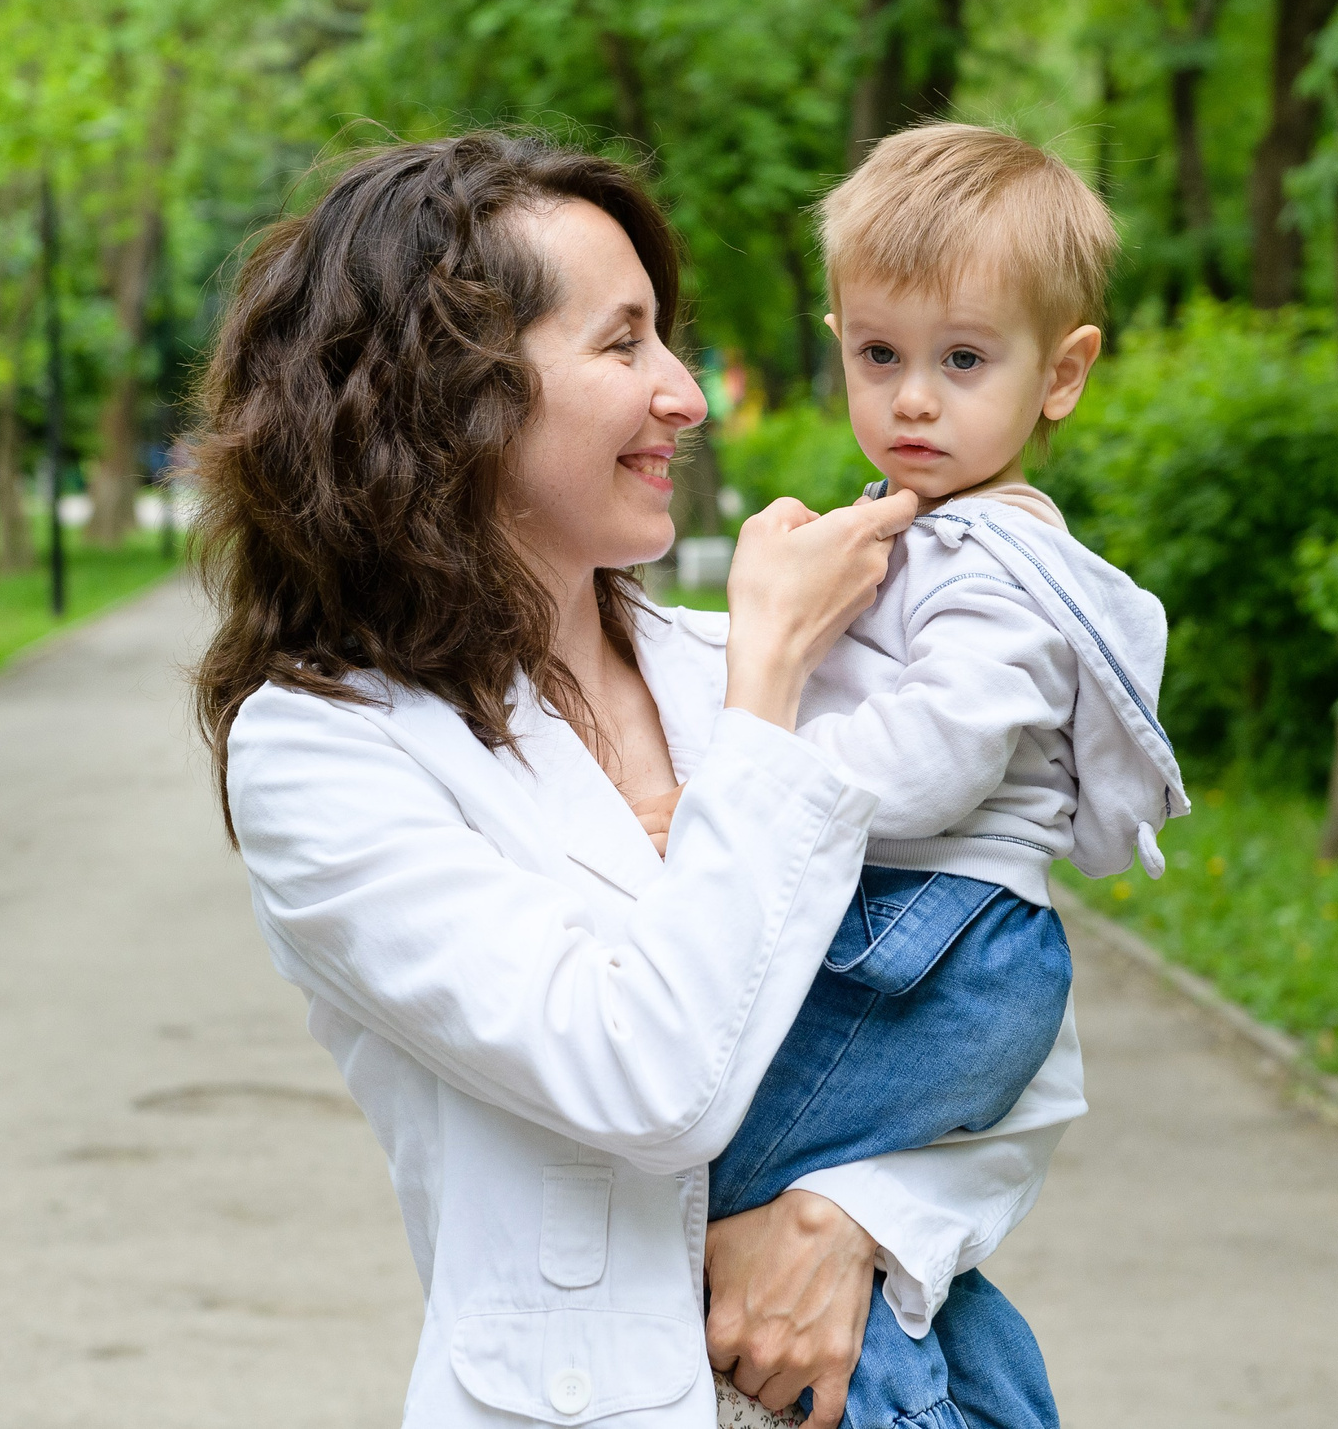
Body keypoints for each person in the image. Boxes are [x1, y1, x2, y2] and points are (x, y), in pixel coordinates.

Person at [197, 131, 1088, 1429]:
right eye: (624, 346)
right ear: (454, 393)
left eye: (668, 340)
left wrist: (855, 1221)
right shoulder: (329, 749)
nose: (687, 393)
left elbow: (1006, 1024)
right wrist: (775, 682)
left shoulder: (729, 671)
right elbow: (640, 1077)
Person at [636, 124, 1189, 1429]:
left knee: (710, 1197)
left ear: (1062, 376)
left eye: (962, 360)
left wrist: (743, 778)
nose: (913, 399)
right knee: (889, 1257)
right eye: (879, 355)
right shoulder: (937, 535)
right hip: (943, 949)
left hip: (927, 946)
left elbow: (935, 762)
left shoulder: (992, 569)